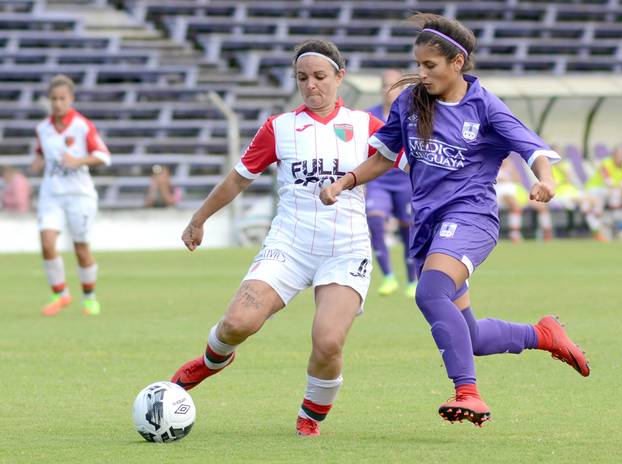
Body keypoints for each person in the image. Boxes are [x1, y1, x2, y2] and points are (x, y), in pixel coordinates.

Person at [320, 13, 589, 427]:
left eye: (430, 66)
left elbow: (530, 147)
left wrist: (547, 180)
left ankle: (468, 391)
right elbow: (384, 157)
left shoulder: (484, 106)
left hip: (472, 219)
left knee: (430, 293)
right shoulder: (410, 103)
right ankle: (543, 334)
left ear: (457, 63)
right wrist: (347, 181)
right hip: (430, 226)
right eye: (419, 65)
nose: (422, 74)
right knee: (473, 336)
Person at [170, 39, 384, 437]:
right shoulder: (280, 128)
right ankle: (211, 361)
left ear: (341, 76)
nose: (311, 85)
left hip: (345, 248)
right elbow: (238, 179)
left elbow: (407, 163)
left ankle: (309, 418)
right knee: (237, 322)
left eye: (320, 77)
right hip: (290, 243)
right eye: (302, 78)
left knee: (328, 341)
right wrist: (199, 219)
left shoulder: (367, 126)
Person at [31, 74, 111, 316]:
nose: (57, 103)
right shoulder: (43, 128)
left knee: (80, 248)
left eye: (62, 98)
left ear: (71, 99)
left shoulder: (82, 125)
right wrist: (37, 161)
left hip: (79, 195)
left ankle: (89, 296)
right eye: (53, 98)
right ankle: (60, 293)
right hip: (52, 194)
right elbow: (41, 153)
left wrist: (78, 160)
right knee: (46, 243)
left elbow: (104, 156)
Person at [365, 69, 417, 296]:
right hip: (379, 180)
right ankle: (387, 277)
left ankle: (412, 280)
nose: (389, 89)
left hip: (405, 180)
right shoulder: (370, 116)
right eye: (385, 84)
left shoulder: (412, 115)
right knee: (374, 218)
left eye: (394, 84)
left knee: (408, 227)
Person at [495, 155, 553, 242]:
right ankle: (514, 234)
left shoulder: (509, 166)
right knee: (515, 205)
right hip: (500, 192)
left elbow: (518, 179)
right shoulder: (492, 166)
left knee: (540, 205)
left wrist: (511, 170)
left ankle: (547, 232)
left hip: (516, 190)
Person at [585, 145, 622, 237]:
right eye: (619, 155)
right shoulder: (606, 163)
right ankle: (613, 223)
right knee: (615, 193)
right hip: (595, 189)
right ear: (614, 155)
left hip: (609, 190)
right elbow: (608, 182)